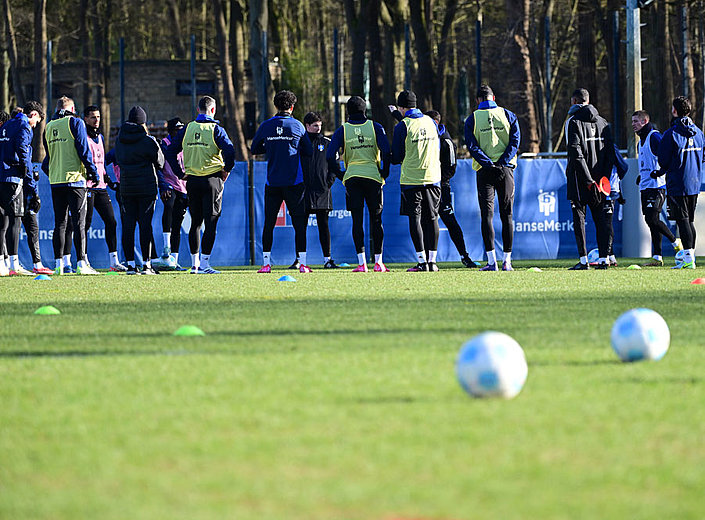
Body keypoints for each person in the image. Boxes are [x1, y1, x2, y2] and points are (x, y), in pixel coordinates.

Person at [165, 96, 235, 274]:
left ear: (198, 110)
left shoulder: (188, 128)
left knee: (195, 222)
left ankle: (195, 265)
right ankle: (204, 264)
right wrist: (226, 169)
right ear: (213, 110)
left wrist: (180, 173)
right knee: (211, 222)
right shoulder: (216, 129)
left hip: (192, 181)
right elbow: (230, 150)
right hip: (212, 180)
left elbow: (171, 151)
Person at [251, 90, 313, 273]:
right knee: (299, 223)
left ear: (276, 106)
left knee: (269, 223)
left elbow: (255, 148)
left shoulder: (266, 126)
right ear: (292, 107)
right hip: (294, 182)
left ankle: (265, 264)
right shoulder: (298, 126)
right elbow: (308, 151)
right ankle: (302, 263)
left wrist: (271, 145)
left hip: (273, 182)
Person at [327, 96, 391, 272]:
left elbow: (329, 155)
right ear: (365, 111)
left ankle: (362, 263)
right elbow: (386, 150)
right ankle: (378, 263)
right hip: (373, 178)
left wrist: (342, 175)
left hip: (353, 178)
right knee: (376, 220)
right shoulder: (375, 127)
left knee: (357, 220)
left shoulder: (343, 130)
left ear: (348, 112)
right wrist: (384, 173)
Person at [464, 84, 520, 271]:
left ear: (478, 100)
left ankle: (491, 262)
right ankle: (507, 262)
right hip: (506, 170)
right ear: (493, 98)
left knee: (487, 216)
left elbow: (472, 146)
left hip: (484, 171)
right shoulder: (508, 115)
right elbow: (515, 141)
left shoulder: (472, 118)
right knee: (507, 215)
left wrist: (488, 163)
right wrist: (502, 161)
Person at [42, 96, 100, 275]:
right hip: (75, 180)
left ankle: (59, 265)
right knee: (79, 223)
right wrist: (93, 173)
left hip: (56, 182)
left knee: (59, 223)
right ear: (73, 109)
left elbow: (46, 162)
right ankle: (82, 264)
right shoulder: (75, 122)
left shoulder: (48, 127)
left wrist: (55, 173)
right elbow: (84, 150)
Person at [391, 90, 442, 272]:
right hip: (433, 177)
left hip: (412, 179)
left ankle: (422, 262)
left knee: (415, 220)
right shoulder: (430, 121)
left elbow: (396, 156)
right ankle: (433, 262)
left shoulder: (402, 126)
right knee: (432, 219)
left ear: (402, 107)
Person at [563, 88, 613, 270]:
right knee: (601, 220)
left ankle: (584, 261)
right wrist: (603, 178)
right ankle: (603, 259)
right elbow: (609, 153)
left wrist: (587, 180)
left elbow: (576, 153)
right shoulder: (603, 122)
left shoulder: (573, 122)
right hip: (600, 181)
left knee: (579, 220)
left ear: (574, 100)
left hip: (580, 181)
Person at [114, 106, 165, 275]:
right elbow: (160, 163)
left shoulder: (119, 140)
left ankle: (129, 264)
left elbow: (118, 159)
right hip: (146, 188)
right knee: (145, 225)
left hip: (127, 188)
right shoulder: (148, 140)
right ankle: (147, 264)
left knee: (128, 226)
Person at [656, 96, 704, 269]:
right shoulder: (699, 132)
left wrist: (663, 170)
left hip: (678, 183)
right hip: (694, 183)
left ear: (675, 111)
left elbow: (663, 160)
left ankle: (689, 259)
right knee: (688, 221)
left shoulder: (671, 134)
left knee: (683, 220)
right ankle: (689, 257)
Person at [426, 110, 477, 268]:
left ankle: (464, 256)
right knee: (426, 222)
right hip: (427, 186)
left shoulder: (446, 141)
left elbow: (451, 168)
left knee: (450, 221)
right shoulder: (428, 138)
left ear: (434, 123)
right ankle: (426, 260)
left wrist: (439, 180)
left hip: (440, 187)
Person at [632, 110, 682, 266]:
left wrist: (660, 172)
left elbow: (667, 155)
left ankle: (675, 242)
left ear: (645, 121)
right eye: (632, 121)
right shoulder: (641, 140)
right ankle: (657, 257)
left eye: (636, 121)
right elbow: (648, 161)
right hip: (646, 186)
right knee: (651, 221)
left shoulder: (654, 137)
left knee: (652, 219)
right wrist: (642, 175)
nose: (633, 124)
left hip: (657, 186)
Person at [0, 102, 44, 276]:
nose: (36, 125)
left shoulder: (8, 123)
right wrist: (31, 184)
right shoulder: (24, 125)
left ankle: (2, 265)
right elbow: (23, 152)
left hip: (1, 177)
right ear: (33, 114)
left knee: (2, 222)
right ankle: (14, 264)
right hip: (13, 178)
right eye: (38, 121)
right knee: (15, 219)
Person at [83, 105, 126, 272]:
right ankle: (83, 260)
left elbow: (101, 163)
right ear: (85, 119)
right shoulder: (83, 137)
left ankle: (114, 261)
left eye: (98, 117)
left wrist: (108, 179)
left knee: (111, 221)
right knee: (84, 225)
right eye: (93, 117)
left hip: (101, 187)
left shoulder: (100, 137)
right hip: (87, 187)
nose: (97, 120)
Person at [302, 111, 342, 269]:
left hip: (322, 192)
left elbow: (334, 166)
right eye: (314, 125)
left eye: (319, 125)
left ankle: (327, 259)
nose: (318, 128)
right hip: (303, 192)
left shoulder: (327, 143)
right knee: (301, 227)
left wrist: (328, 183)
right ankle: (300, 260)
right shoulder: (299, 142)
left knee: (323, 226)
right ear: (307, 126)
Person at [158, 117, 188, 270]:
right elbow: (159, 166)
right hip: (170, 184)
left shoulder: (186, 143)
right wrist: (163, 185)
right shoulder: (164, 144)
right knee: (168, 208)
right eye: (176, 130)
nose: (179, 133)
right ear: (170, 131)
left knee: (178, 223)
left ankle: (174, 261)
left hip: (183, 185)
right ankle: (166, 247)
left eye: (181, 130)